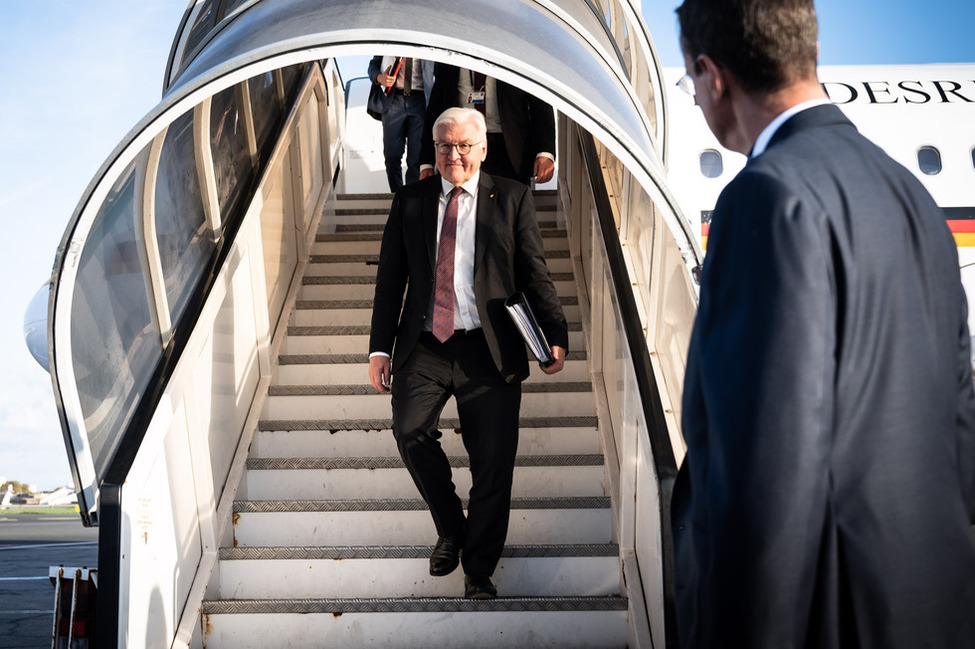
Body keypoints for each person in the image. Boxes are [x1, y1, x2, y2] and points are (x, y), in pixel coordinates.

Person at [672, 0, 975, 647]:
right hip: (931, 602)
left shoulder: (766, 194)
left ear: (711, 74)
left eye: (693, 83)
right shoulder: (913, 197)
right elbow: (959, 421)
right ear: (807, 53)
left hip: (826, 614)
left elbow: (767, 468)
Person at [368, 107, 568, 599]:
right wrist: (379, 347)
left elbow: (534, 273)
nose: (453, 154)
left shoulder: (513, 197)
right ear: (432, 150)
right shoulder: (410, 200)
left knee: (493, 463)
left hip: (488, 345)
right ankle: (451, 527)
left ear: (481, 149)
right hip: (426, 343)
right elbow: (390, 278)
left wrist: (555, 332)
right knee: (410, 429)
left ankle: (478, 568)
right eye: (443, 146)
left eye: (463, 146)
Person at [418, 64, 555, 186]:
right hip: (462, 150)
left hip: (508, 151)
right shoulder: (451, 60)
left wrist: (545, 152)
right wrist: (426, 162)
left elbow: (540, 107)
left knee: (508, 208)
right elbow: (435, 113)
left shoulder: (514, 58)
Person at [367, 56, 435, 191]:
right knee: (392, 154)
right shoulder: (393, 39)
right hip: (393, 100)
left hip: (420, 101)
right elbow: (373, 65)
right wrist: (379, 78)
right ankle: (396, 195)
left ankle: (412, 197)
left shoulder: (428, 40)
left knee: (416, 158)